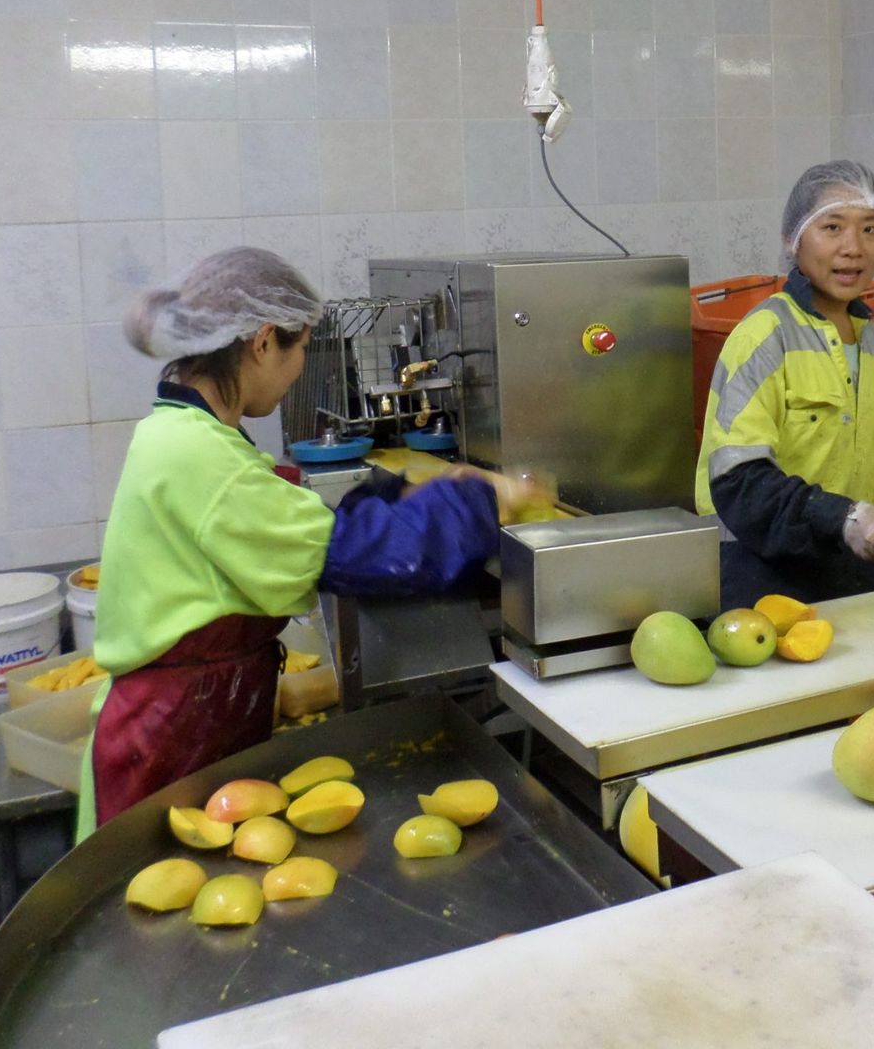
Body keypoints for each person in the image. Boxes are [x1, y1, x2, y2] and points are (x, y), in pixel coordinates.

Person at [80, 247, 537, 832]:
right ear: (263, 342)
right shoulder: (197, 454)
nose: (302, 368)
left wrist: (412, 497)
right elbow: (358, 555)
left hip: (188, 720)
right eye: (302, 348)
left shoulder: (182, 432)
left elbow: (296, 525)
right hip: (169, 740)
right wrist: (484, 502)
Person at [696, 161, 874, 608]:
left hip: (849, 575)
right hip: (762, 578)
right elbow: (739, 481)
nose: (853, 248)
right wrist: (844, 519)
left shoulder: (872, 339)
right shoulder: (764, 336)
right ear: (793, 238)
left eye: (870, 230)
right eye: (832, 227)